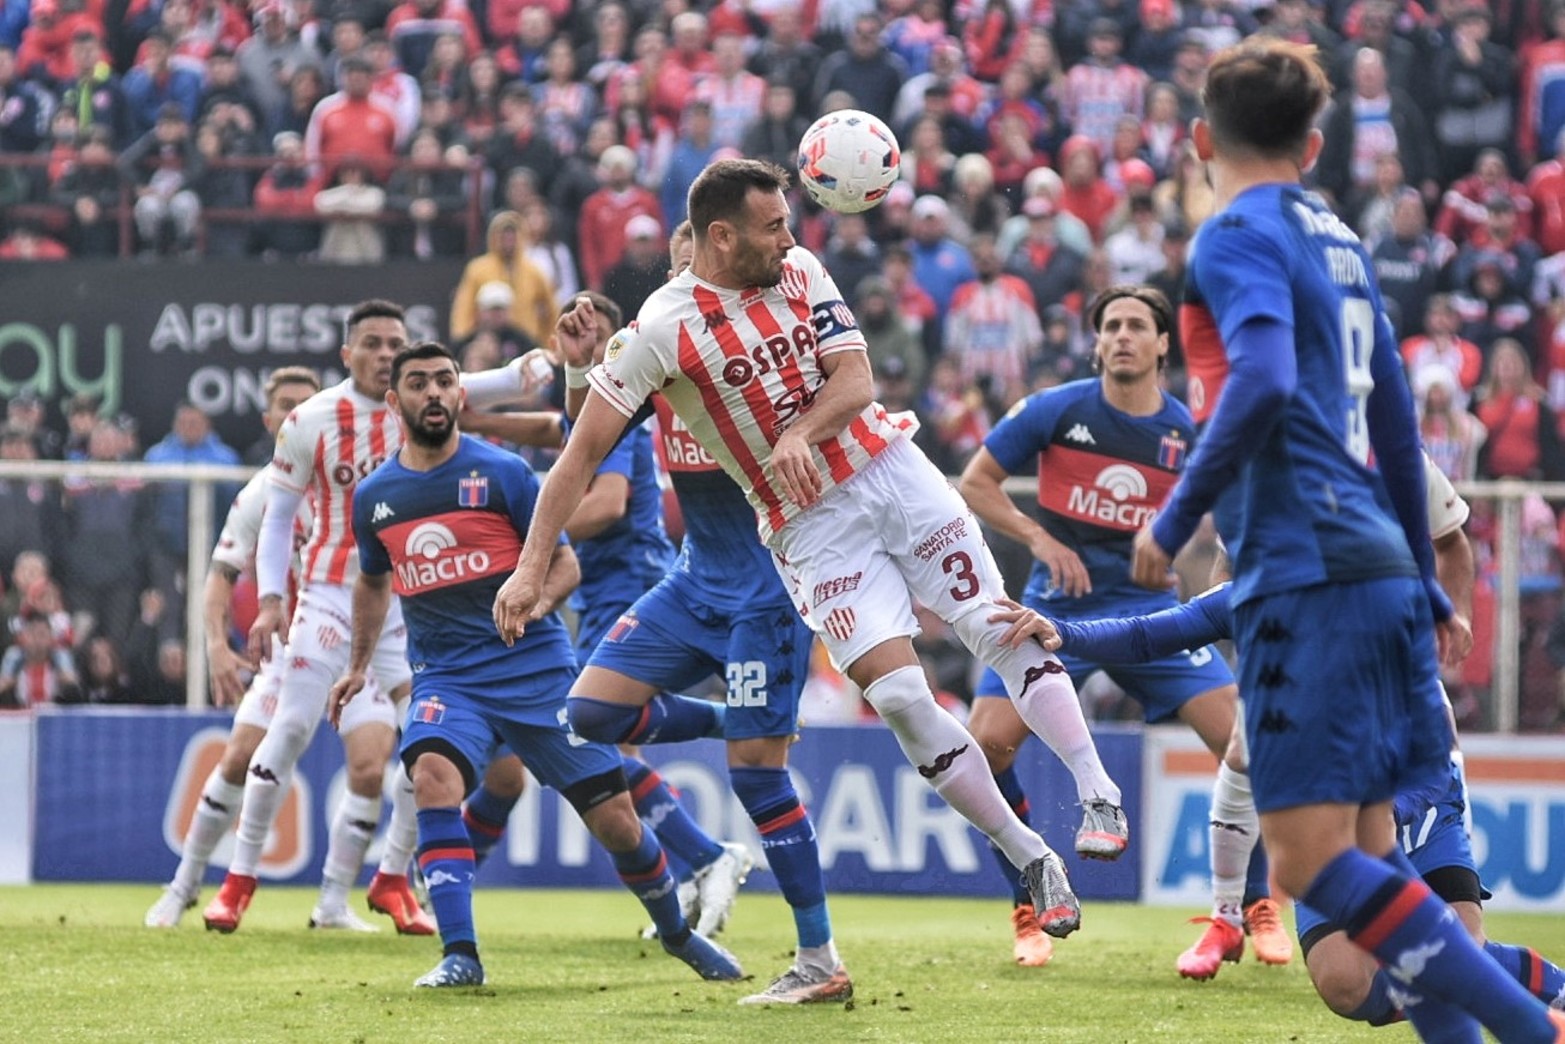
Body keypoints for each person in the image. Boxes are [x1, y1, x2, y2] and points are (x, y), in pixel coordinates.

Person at [495, 159, 1129, 999]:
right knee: (901, 699)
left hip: (889, 471)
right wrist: (531, 566)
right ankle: (1029, 857)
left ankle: (1096, 792)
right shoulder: (657, 332)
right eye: (771, 225)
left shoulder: (800, 269)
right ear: (721, 238)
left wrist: (801, 431)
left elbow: (855, 380)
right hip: (807, 528)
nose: (789, 236)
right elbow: (578, 452)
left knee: (993, 623)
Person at [1130, 36, 1564, 1041]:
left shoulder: (1232, 235)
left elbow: (1264, 378)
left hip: (1305, 569)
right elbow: (1399, 429)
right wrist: (1424, 575)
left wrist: (1176, 511)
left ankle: (1532, 1028)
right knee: (1371, 884)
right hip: (1374, 564)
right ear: (1315, 144)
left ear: (1198, 138)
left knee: (1302, 863)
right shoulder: (1337, 235)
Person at [1035, 458, 1565, 1023]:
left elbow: (1434, 734)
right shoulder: (1248, 597)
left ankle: (1546, 994)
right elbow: (1148, 634)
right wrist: (1063, 631)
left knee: (1456, 959)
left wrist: (1392, 811)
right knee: (1345, 986)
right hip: (1324, 805)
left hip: (1415, 791)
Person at [329, 340, 743, 989]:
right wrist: (357, 666)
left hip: (536, 672)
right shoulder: (378, 497)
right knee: (431, 776)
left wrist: (536, 601)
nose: (434, 394)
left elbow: (565, 561)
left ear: (461, 395)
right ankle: (459, 954)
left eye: (444, 382)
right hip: (448, 677)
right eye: (418, 384)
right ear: (394, 400)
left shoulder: (503, 474)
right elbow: (373, 583)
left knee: (617, 825)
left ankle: (677, 934)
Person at [957, 283, 1286, 975]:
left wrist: (1219, 569)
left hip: (1150, 614)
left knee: (1246, 744)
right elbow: (975, 482)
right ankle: (1029, 903)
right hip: (1057, 606)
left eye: (1137, 325)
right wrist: (1041, 541)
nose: (1123, 337)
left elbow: (1236, 514)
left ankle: (1255, 904)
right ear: (1097, 340)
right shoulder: (1057, 408)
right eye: (1110, 326)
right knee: (985, 746)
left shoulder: (1190, 429)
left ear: (1163, 343)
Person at [144, 368, 409, 930]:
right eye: (285, 404)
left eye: (305, 402)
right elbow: (220, 572)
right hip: (295, 649)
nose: (296, 412)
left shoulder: (362, 478)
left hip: (362, 643)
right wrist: (217, 644)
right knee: (239, 757)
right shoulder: (262, 493)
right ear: (271, 421)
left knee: (368, 768)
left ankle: (333, 904)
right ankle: (184, 885)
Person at [202, 301, 426, 936]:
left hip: (404, 605)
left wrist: (548, 365)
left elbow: (496, 389)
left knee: (432, 741)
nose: (387, 354)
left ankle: (389, 880)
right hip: (328, 598)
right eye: (374, 344)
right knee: (292, 726)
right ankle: (237, 882)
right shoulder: (310, 420)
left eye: (396, 344)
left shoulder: (421, 405)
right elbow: (276, 520)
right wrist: (272, 599)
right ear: (347, 354)